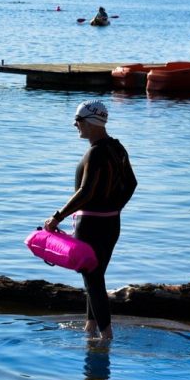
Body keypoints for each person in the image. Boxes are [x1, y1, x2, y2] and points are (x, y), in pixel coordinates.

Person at [43, 100, 137, 342]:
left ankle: (106, 337)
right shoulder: (118, 148)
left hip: (91, 226)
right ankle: (90, 328)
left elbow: (86, 192)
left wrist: (56, 217)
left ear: (92, 122)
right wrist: (115, 208)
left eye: (79, 120)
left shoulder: (95, 152)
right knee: (94, 277)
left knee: (93, 280)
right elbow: (132, 184)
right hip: (111, 224)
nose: (75, 124)